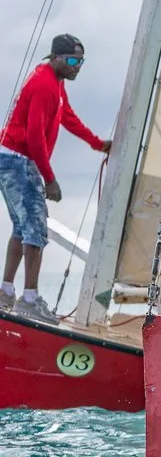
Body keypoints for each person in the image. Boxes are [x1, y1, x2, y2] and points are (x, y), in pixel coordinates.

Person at [0, 35, 111, 324]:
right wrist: (49, 179)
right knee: (36, 230)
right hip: (18, 161)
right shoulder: (44, 85)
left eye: (81, 61)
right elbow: (34, 138)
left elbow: (67, 117)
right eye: (73, 61)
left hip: (12, 159)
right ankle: (30, 299)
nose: (78, 67)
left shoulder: (55, 83)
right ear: (56, 58)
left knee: (22, 228)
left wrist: (97, 143)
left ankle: (6, 291)